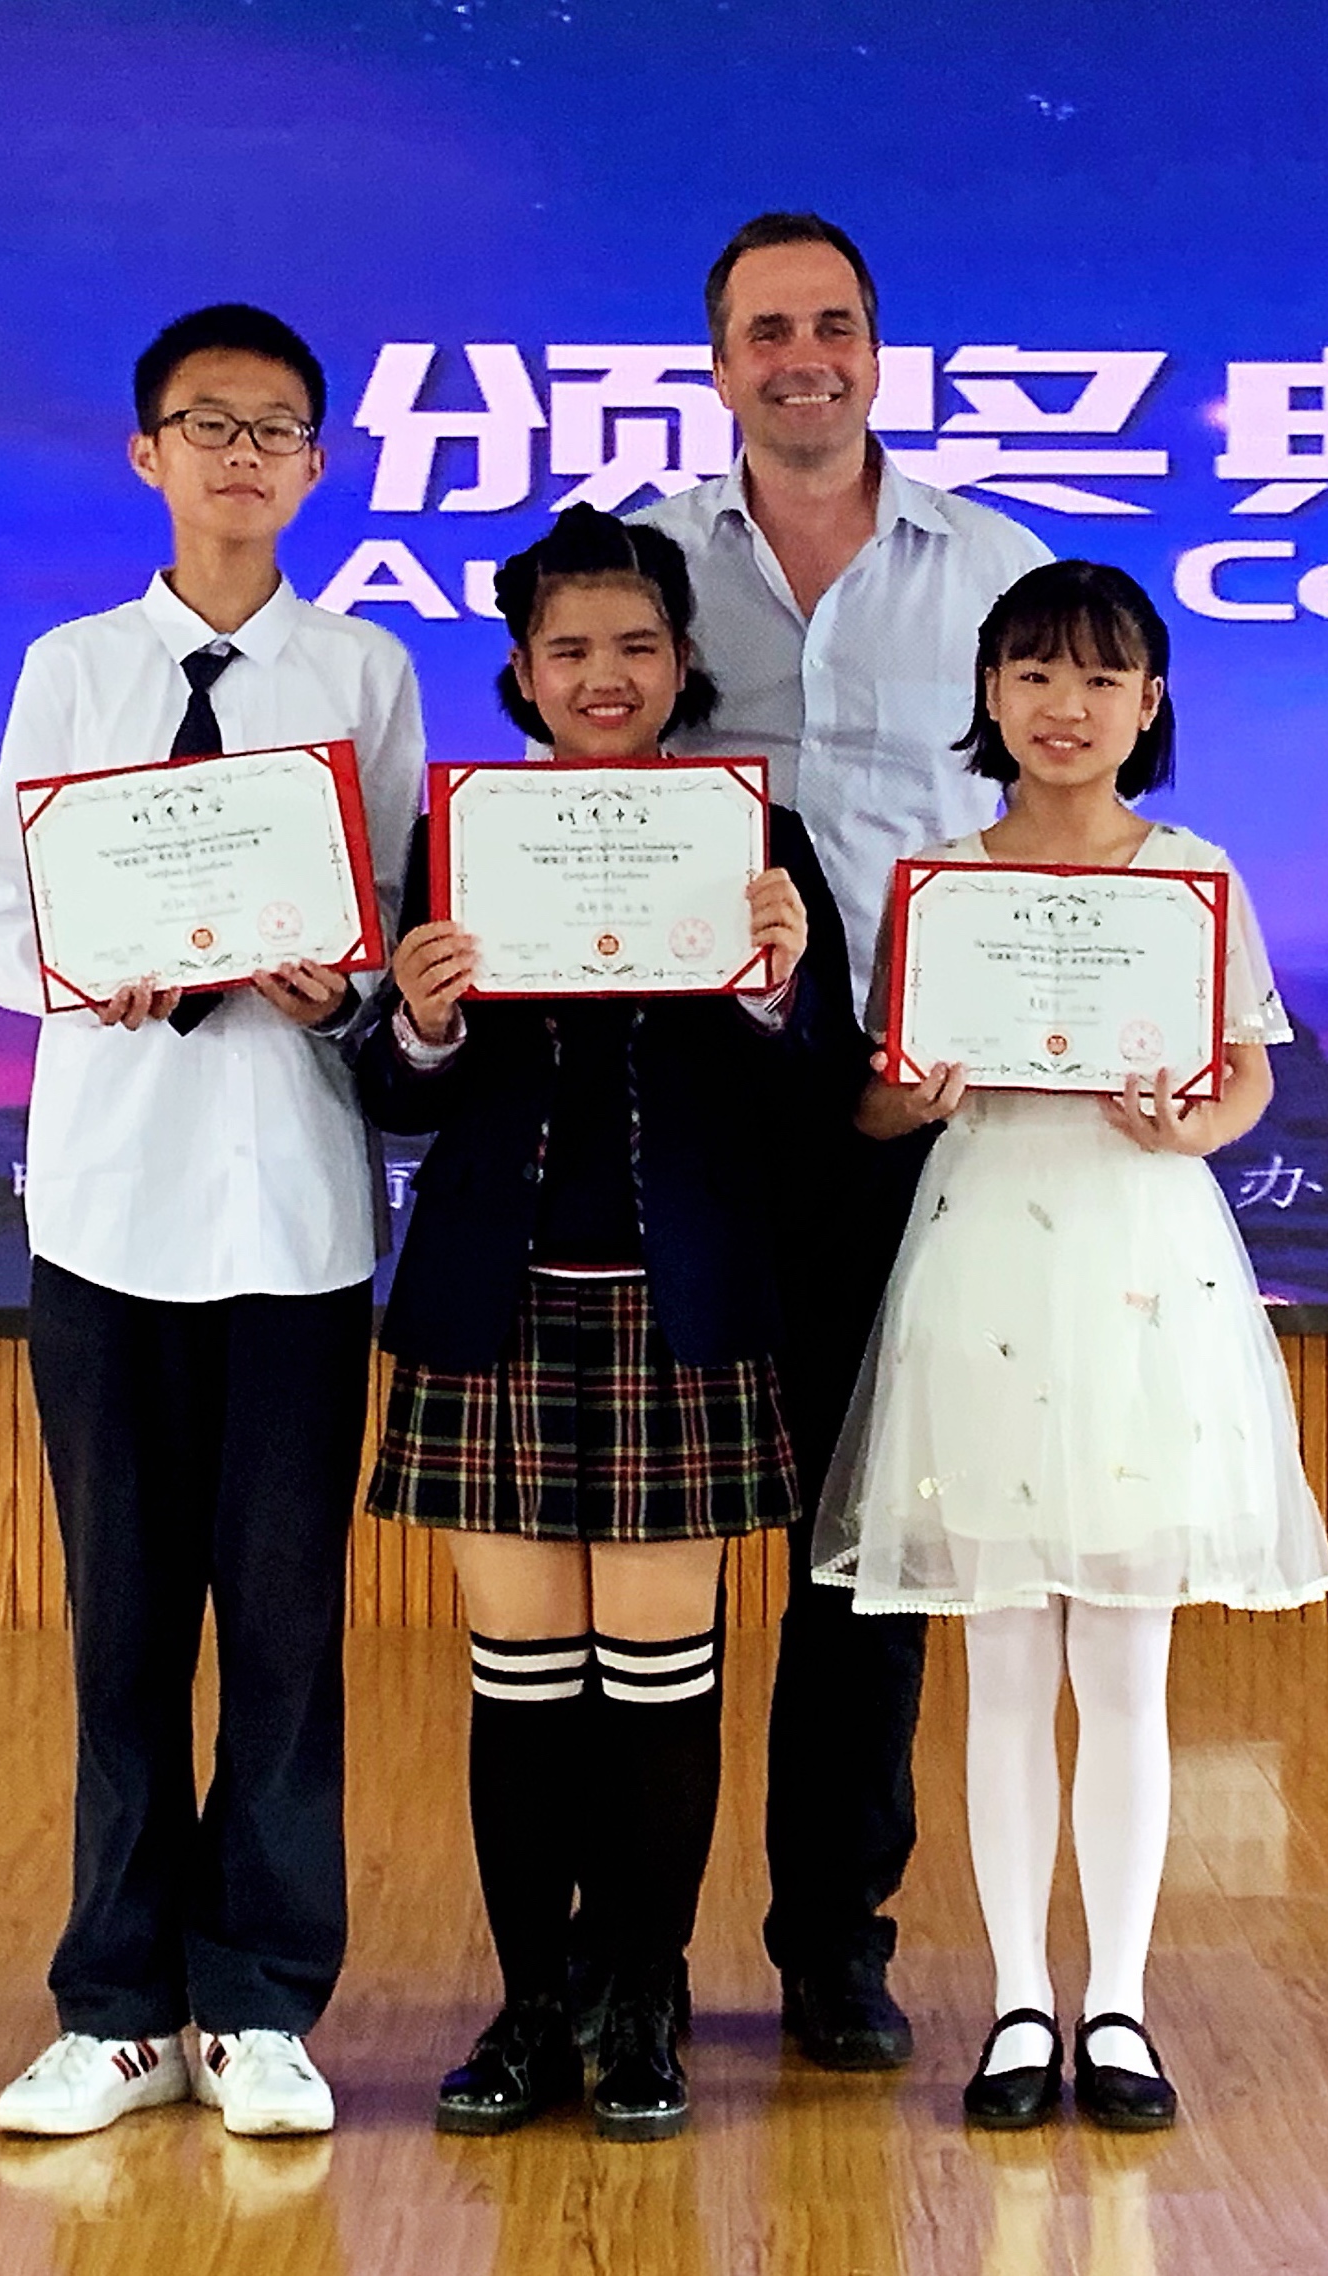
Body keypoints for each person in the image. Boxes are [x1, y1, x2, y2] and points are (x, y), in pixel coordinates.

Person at [0, 302, 424, 2141]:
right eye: (209, 425)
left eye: (276, 429)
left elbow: (402, 917)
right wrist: (97, 971)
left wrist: (343, 982)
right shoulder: (70, 668)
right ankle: (115, 2008)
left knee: (286, 1633)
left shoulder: (361, 674)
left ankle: (260, 2005)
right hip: (107, 1211)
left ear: (317, 466)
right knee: (125, 1627)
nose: (243, 455)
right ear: (146, 452)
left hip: (295, 1218)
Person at [358, 505, 862, 2142]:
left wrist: (775, 990)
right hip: (490, 1307)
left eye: (636, 645)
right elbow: (389, 1091)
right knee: (519, 1682)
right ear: (520, 671)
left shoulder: (759, 844)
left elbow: (824, 1096)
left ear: (683, 662)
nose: (603, 675)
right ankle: (529, 2008)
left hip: (687, 1308)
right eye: (567, 648)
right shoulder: (458, 839)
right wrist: (422, 1025)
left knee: (656, 1682)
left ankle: (642, 1996)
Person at [814, 560, 1328, 2132]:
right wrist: (911, 1095)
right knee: (997, 1669)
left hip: (1134, 1267)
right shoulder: (936, 880)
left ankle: (1115, 2003)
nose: (1066, 706)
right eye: (1034, 673)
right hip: (979, 1257)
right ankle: (1015, 2006)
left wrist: (1191, 1128)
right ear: (988, 694)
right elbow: (874, 1101)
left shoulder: (1193, 875)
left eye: (1101, 678)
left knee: (1123, 1662)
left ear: (1148, 703)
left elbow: (1247, 1075)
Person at [634, 210, 1052, 2070]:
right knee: (656, 1545)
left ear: (876, 349)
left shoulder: (995, 565)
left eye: (832, 325)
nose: (801, 357)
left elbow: (1060, 806)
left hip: (913, 1109)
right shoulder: (644, 558)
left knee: (863, 1549)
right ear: (717, 361)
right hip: (686, 1102)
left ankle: (832, 1945)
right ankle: (628, 1956)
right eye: (764, 330)